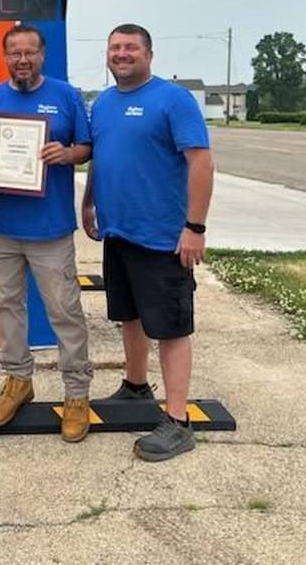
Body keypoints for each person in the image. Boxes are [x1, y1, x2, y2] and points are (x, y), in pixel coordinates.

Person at [82, 23, 213, 461]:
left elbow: (200, 162)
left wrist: (194, 227)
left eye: (131, 47)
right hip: (118, 231)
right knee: (130, 317)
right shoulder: (102, 103)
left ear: (149, 54)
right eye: (115, 47)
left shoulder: (173, 100)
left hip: (163, 237)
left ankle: (178, 421)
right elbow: (101, 157)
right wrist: (88, 202)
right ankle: (136, 386)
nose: (122, 54)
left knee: (171, 327)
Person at [0, 24, 93, 442]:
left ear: (42, 55)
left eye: (30, 52)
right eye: (14, 53)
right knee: (8, 308)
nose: (22, 60)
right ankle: (18, 381)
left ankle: (77, 394)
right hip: (4, 227)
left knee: (65, 311)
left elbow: (86, 148)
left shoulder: (66, 96)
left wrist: (67, 154)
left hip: (51, 229)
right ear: (4, 56)